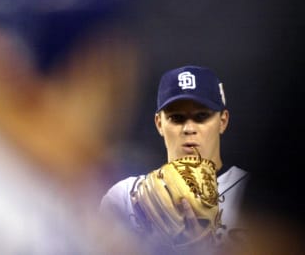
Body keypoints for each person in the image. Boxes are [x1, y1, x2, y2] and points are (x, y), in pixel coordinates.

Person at [100, 65, 249, 254]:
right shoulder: (126, 198)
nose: (188, 128)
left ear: (223, 121)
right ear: (159, 124)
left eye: (201, 116)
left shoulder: (250, 197)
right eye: (177, 118)